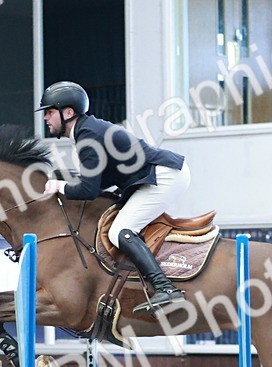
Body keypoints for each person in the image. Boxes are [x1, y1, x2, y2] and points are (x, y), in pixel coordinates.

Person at [37, 80, 188, 312]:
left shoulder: (88, 137)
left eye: (49, 112)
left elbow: (89, 190)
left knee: (120, 231)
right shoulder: (87, 131)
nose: (46, 118)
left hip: (164, 175)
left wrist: (60, 186)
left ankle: (165, 288)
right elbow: (98, 182)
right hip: (155, 174)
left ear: (68, 112)